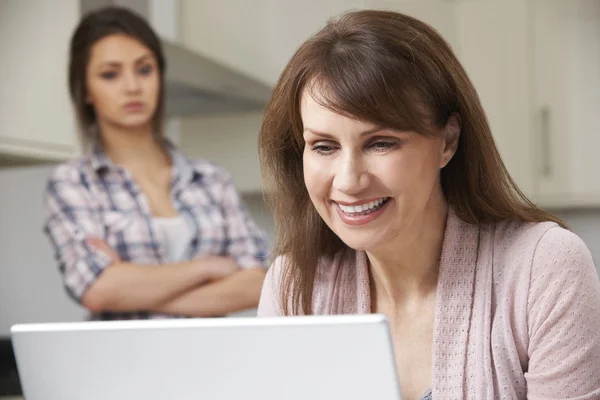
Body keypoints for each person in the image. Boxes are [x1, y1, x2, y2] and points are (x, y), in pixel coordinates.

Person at [256, 9, 600, 400]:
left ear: (448, 141)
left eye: (381, 142)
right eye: (323, 146)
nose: (349, 180)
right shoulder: (293, 284)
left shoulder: (544, 268)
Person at [43, 6, 269, 321]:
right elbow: (97, 289)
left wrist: (131, 287)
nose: (133, 86)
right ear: (86, 91)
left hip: (213, 362)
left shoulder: (211, 179)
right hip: (120, 364)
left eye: (144, 69)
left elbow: (260, 282)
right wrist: (207, 268)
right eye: (110, 74)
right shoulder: (73, 183)